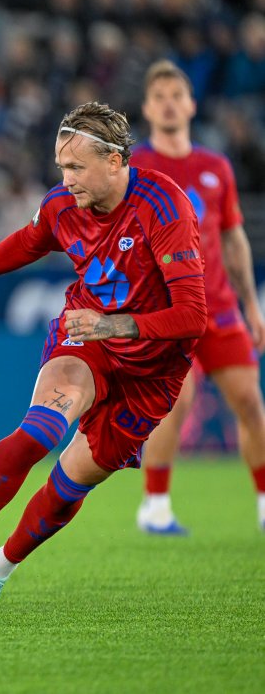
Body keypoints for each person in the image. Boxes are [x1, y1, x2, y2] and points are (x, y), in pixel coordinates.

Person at [0, 102, 206, 618]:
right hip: (87, 339)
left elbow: (192, 316)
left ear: (114, 161)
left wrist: (115, 325)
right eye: (62, 167)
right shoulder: (63, 204)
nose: (66, 180)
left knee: (67, 487)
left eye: (76, 167)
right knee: (38, 432)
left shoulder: (165, 206)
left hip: (152, 372)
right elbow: (28, 242)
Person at [130, 60, 265, 534]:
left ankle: (264, 503)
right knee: (176, 401)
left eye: (177, 95)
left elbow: (232, 237)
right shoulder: (135, 168)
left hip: (219, 305)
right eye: (159, 96)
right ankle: (155, 506)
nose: (169, 104)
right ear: (147, 108)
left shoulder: (215, 167)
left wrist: (252, 305)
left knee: (250, 402)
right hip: (165, 309)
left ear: (191, 105)